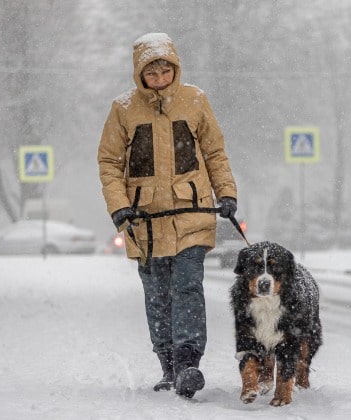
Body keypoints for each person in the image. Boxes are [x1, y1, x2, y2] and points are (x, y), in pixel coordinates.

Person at [97, 33, 238, 398]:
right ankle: (168, 365)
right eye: (152, 72)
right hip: (145, 222)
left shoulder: (195, 100)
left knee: (187, 287)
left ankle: (189, 361)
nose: (159, 78)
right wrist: (119, 205)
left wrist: (226, 193)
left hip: (192, 215)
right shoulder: (124, 109)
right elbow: (109, 162)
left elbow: (215, 153)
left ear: (175, 68)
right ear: (140, 74)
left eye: (165, 70)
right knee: (158, 295)